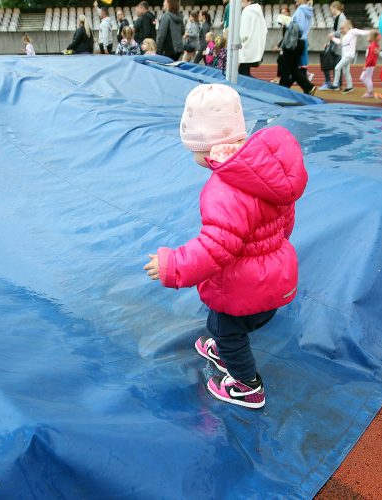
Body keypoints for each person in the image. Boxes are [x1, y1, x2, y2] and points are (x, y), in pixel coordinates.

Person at [144, 84, 307, 409]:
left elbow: (215, 247)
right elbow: (284, 222)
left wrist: (172, 264)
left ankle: (248, 385)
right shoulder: (266, 172)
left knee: (227, 329)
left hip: (246, 287)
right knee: (229, 326)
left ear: (205, 151)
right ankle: (224, 348)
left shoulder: (225, 189)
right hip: (277, 277)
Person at [328, 20, 370, 93]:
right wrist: (332, 38)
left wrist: (373, 32)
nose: (341, 29)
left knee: (337, 68)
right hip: (345, 55)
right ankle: (350, 87)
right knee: (346, 71)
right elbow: (340, 42)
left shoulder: (353, 31)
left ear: (347, 26)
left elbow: (363, 32)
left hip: (349, 55)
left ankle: (335, 85)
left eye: (342, 27)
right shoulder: (344, 35)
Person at [279, 21, 316, 94]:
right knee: (294, 69)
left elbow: (288, 35)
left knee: (285, 68)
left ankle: (283, 89)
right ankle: (308, 87)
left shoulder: (292, 21)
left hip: (292, 45)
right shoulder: (302, 20)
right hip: (300, 43)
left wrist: (285, 26)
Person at [319, 1, 346, 90]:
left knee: (330, 62)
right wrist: (328, 42)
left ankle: (331, 83)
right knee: (336, 64)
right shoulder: (338, 17)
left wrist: (333, 34)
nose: (331, 11)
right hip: (335, 43)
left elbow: (342, 30)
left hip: (338, 44)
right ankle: (337, 83)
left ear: (335, 8)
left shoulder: (341, 17)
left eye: (331, 9)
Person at [238, 0, 268, 76]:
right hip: (255, 47)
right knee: (244, 72)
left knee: (243, 73)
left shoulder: (246, 10)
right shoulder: (258, 11)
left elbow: (243, 33)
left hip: (246, 46)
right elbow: (265, 30)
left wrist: (237, 40)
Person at [271, 5, 291, 84]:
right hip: (286, 44)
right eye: (282, 13)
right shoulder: (285, 24)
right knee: (281, 60)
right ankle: (279, 77)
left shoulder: (289, 23)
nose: (283, 15)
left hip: (288, 45)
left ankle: (280, 78)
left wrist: (279, 46)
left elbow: (287, 36)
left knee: (281, 60)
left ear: (288, 13)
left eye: (284, 13)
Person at [359, 30, 380, 98]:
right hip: (371, 64)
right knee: (364, 78)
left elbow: (370, 58)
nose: (367, 37)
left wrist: (366, 65)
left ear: (371, 37)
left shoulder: (372, 46)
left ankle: (370, 92)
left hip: (370, 64)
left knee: (366, 78)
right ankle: (370, 91)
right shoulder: (375, 45)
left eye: (368, 36)